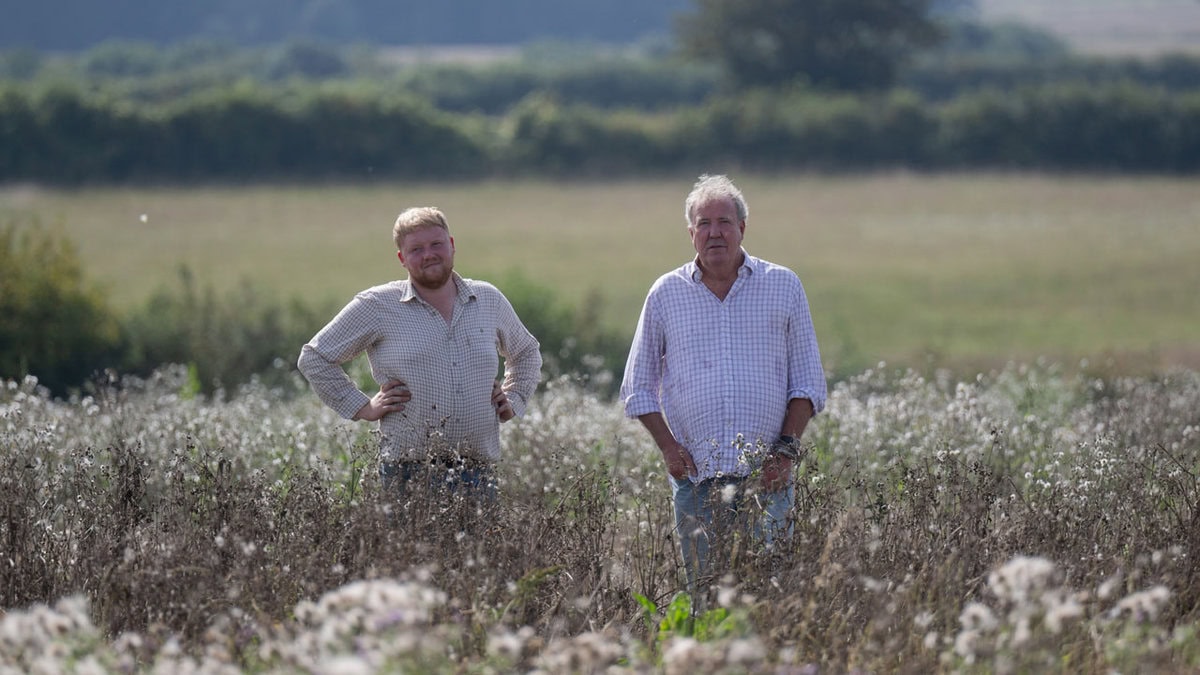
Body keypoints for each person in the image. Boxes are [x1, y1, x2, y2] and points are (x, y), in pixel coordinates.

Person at [619, 174, 827, 590]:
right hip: (697, 480)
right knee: (705, 592)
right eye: (704, 223)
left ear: (742, 228)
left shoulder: (783, 285)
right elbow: (637, 387)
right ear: (691, 233)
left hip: (768, 477)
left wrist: (784, 454)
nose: (714, 232)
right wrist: (669, 449)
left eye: (724, 222)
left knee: (768, 589)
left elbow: (807, 382)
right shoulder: (665, 293)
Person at [298, 206, 542, 498]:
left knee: (479, 547)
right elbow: (314, 357)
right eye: (416, 249)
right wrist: (363, 407)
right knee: (413, 547)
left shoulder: (487, 299)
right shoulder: (378, 305)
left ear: (451, 245)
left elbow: (526, 352)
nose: (429, 254)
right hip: (408, 473)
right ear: (402, 258)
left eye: (436, 244)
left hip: (479, 472)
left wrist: (513, 399)